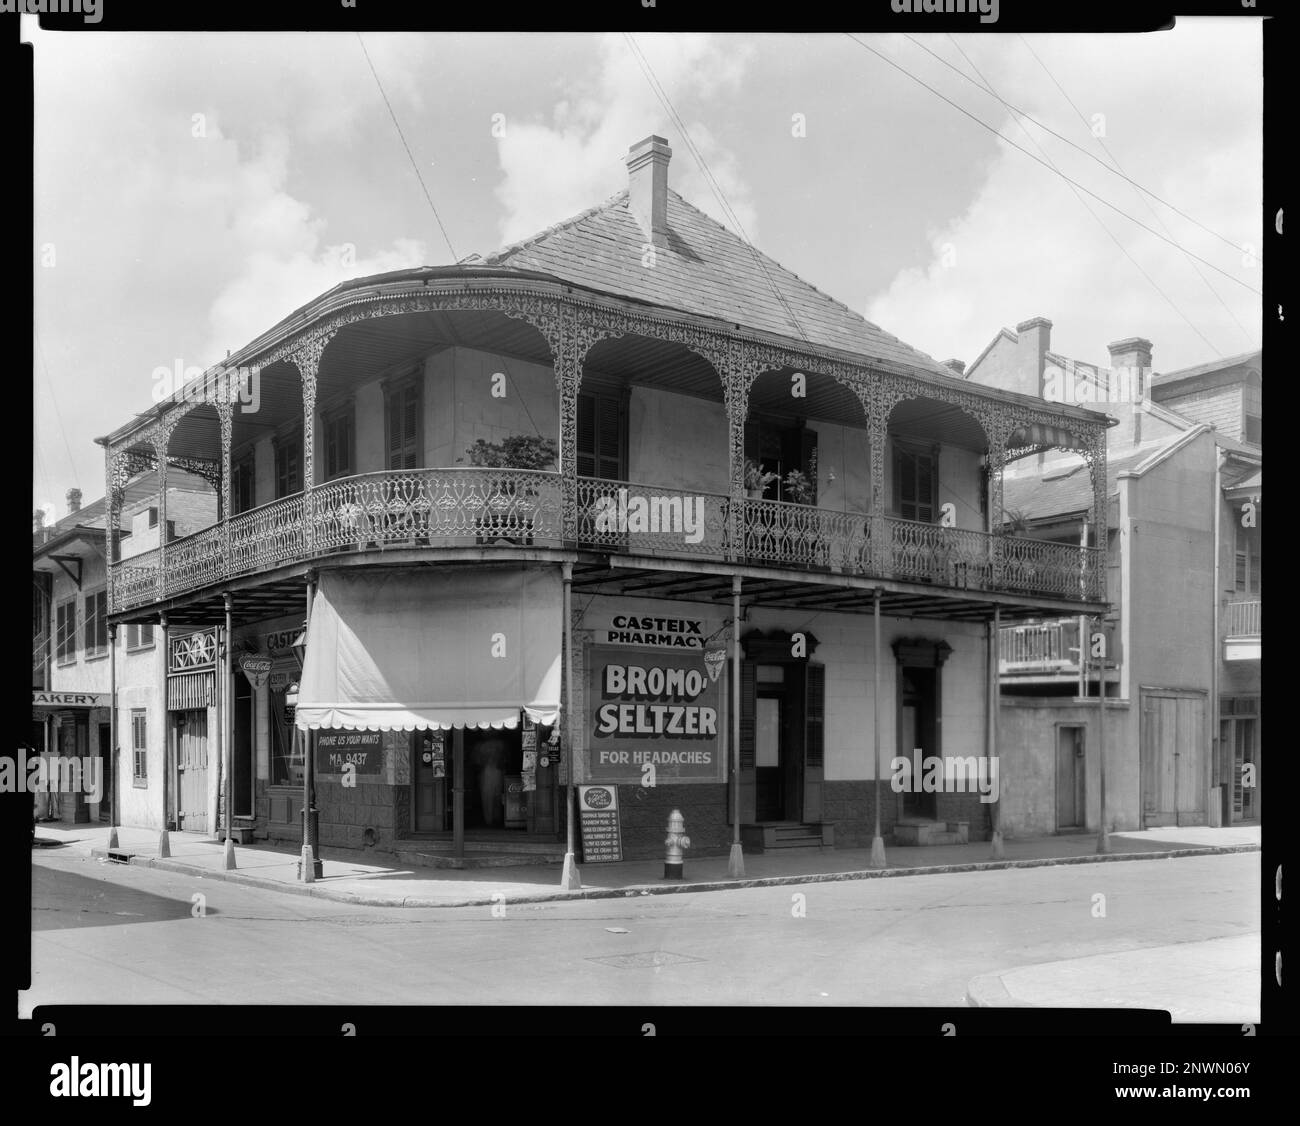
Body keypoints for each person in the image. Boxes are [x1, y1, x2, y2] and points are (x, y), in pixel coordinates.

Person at [471, 736, 507, 827]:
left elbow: (476, 761)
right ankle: (492, 820)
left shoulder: (499, 743)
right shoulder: (498, 744)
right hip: (490, 771)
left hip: (491, 771)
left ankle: (491, 820)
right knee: (493, 796)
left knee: (491, 797)